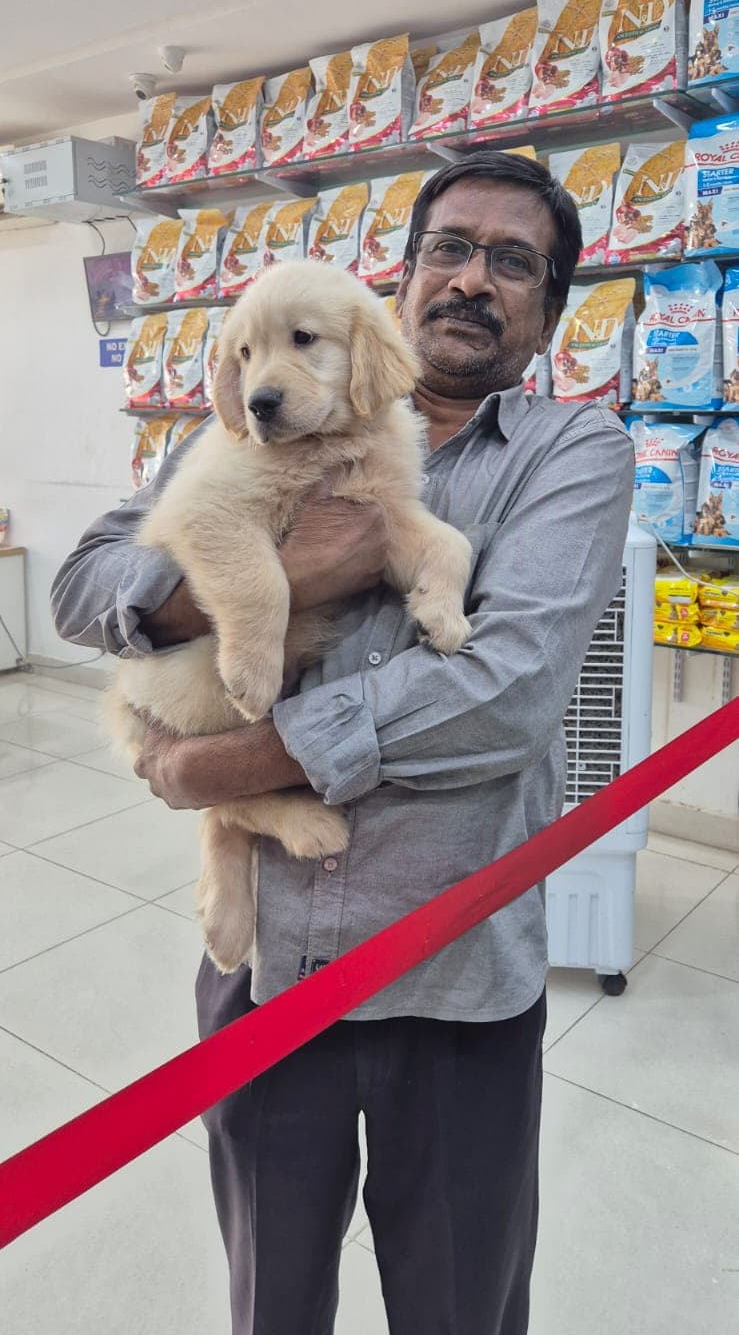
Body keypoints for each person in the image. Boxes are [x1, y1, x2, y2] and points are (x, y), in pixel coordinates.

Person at [52, 152, 634, 1335]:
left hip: (454, 975)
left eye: (512, 262)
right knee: (272, 1300)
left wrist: (229, 766)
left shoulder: (572, 454)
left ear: (549, 310)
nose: (472, 279)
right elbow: (81, 586)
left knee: (459, 1305)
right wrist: (221, 594)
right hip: (268, 962)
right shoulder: (253, 412)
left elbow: (506, 693)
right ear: (402, 281)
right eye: (448, 248)